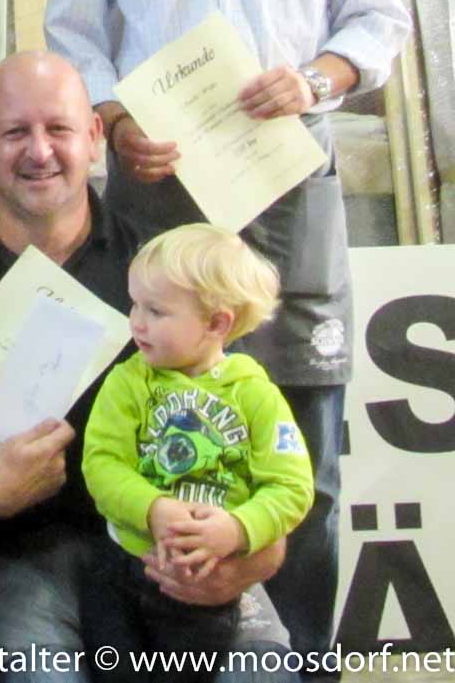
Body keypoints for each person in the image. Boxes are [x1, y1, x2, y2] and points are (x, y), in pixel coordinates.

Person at [44, 0, 410, 674]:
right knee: (150, 441)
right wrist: (116, 120)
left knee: (305, 452)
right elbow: (74, 35)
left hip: (289, 188)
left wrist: (319, 79)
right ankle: (167, 656)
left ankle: (296, 660)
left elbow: (376, 21)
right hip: (160, 198)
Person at [0, 50, 302, 683]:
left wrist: (253, 556)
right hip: (22, 552)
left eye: (59, 129)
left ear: (95, 137)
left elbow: (254, 433)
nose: (39, 151)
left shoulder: (168, 270)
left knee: (263, 675)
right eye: (15, 132)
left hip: (177, 543)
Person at [81, 225, 314, 683]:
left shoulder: (255, 394)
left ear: (216, 323)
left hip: (208, 584)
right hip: (123, 569)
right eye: (134, 304)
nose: (137, 322)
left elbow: (292, 487)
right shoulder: (127, 382)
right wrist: (153, 508)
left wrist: (237, 529)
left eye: (156, 311)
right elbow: (102, 463)